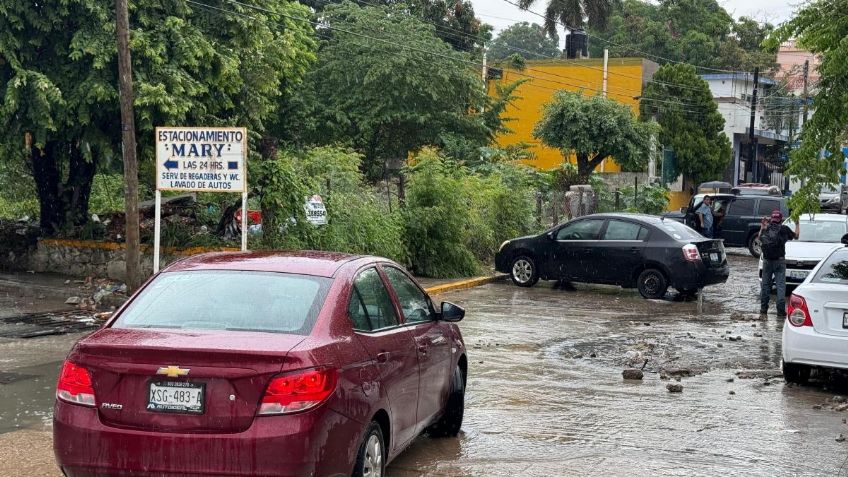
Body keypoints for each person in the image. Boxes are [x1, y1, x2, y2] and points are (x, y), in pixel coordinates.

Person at [759, 210, 801, 316]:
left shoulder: (766, 227)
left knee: (765, 285)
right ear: (781, 220)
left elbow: (760, 238)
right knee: (781, 286)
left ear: (771, 219)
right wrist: (797, 224)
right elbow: (796, 236)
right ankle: (780, 311)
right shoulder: (784, 229)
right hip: (780, 261)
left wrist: (762, 226)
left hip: (767, 261)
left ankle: (763, 309)